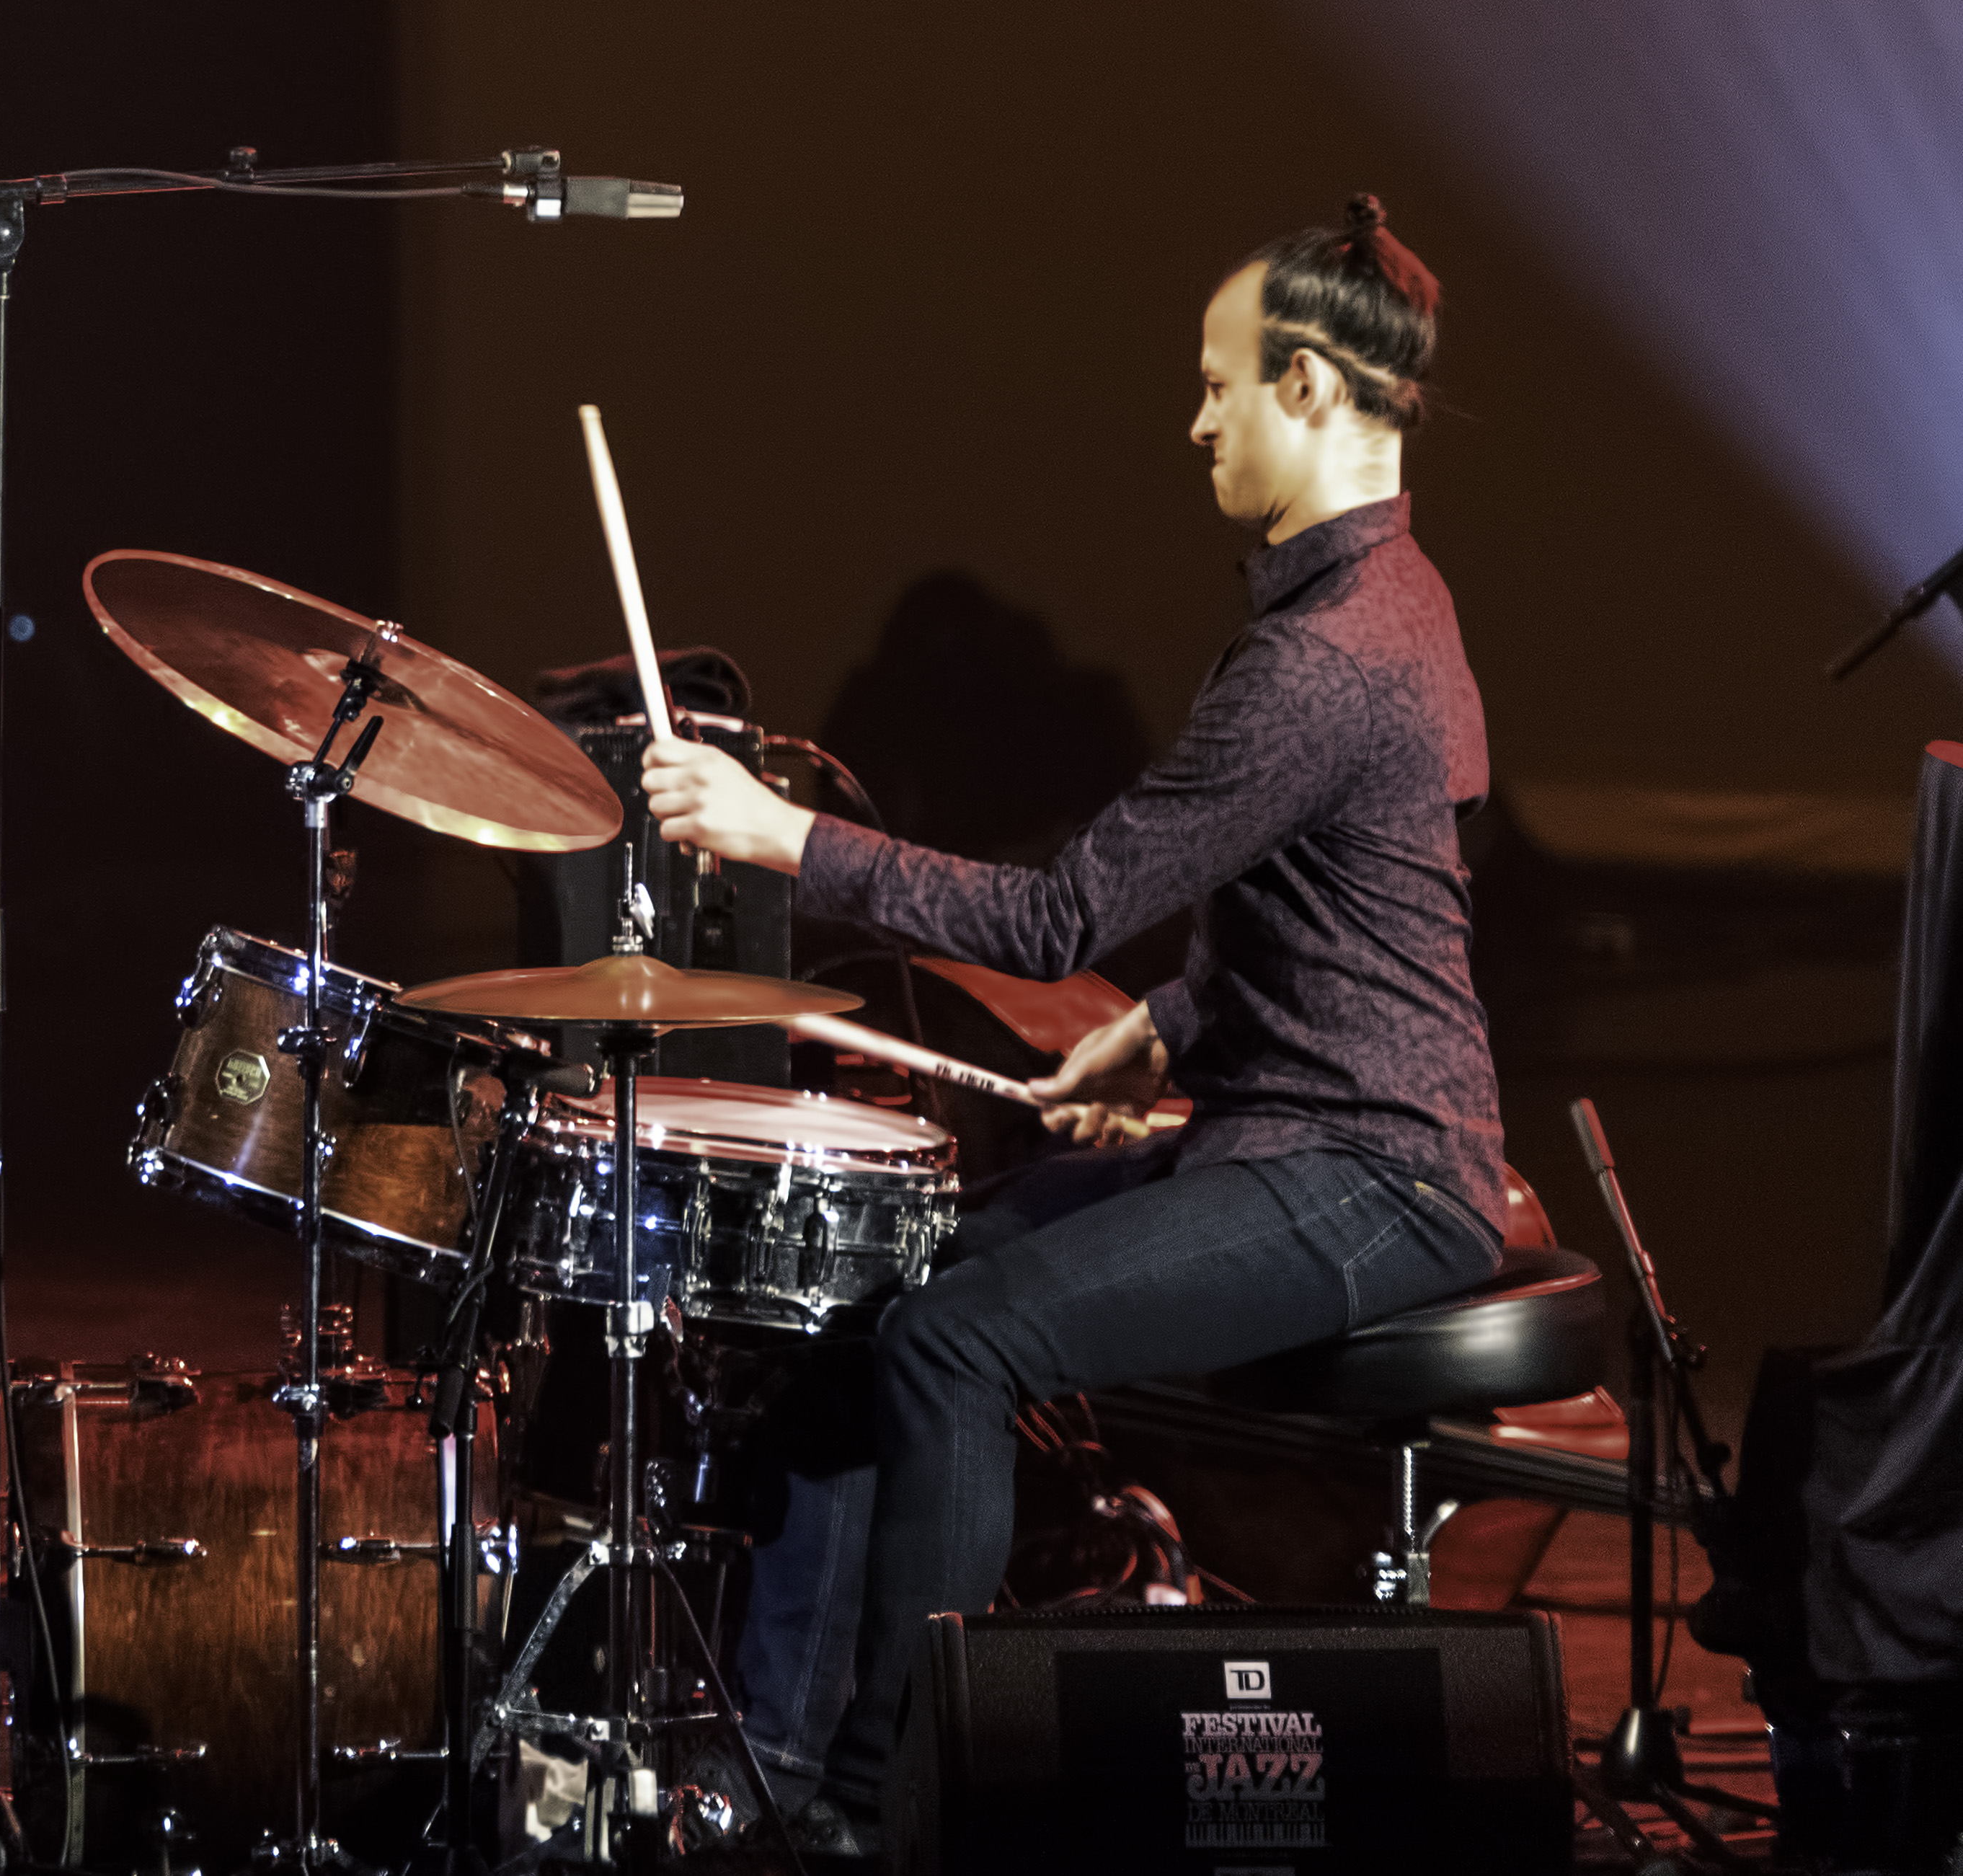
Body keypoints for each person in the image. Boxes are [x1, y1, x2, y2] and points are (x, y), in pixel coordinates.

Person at [645, 197, 1512, 1860]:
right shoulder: (1392, 600)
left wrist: (783, 834)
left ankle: (891, 1813)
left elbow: (1052, 921)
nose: (1194, 418)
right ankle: (776, 1768)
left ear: (1312, 386)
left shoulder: (1324, 660)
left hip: (1377, 1168)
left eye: (1217, 384)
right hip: (1292, 1119)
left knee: (956, 1341)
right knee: (886, 1299)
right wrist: (1171, 1025)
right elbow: (1348, 910)